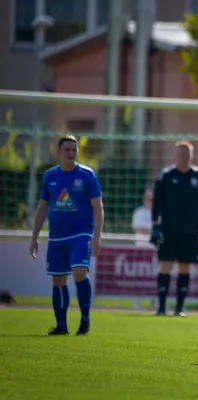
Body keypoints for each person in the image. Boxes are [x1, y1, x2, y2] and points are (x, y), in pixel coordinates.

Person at [29, 134, 104, 336]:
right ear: (58, 152)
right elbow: (42, 206)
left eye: (74, 150)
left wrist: (96, 236)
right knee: (58, 280)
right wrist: (34, 237)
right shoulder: (50, 176)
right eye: (67, 149)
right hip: (56, 237)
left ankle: (85, 320)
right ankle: (61, 325)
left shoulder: (87, 175)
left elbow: (98, 206)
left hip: (81, 233)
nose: (71, 153)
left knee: (80, 272)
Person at [150, 141, 198, 317]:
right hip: (168, 229)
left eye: (187, 154)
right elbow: (156, 203)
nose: (184, 157)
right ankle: (161, 307)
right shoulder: (165, 175)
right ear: (175, 156)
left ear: (192, 156)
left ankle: (179, 308)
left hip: (190, 230)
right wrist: (155, 227)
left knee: (185, 267)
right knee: (165, 265)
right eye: (181, 154)